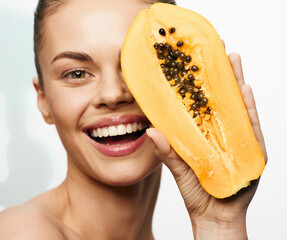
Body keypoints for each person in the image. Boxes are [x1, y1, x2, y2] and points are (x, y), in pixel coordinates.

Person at [0, 0, 267, 239]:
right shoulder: (23, 232)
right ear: (43, 102)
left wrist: (220, 227)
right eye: (77, 74)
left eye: (136, 65)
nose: (113, 94)